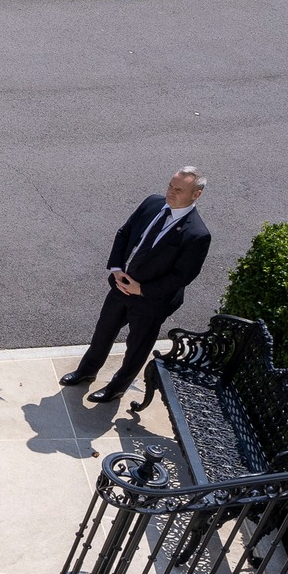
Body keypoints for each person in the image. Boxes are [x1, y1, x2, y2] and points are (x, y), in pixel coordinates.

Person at [61, 167, 212, 403]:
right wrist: (117, 269)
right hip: (121, 286)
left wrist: (141, 290)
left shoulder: (197, 234)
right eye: (170, 186)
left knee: (137, 346)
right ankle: (86, 371)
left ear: (196, 195)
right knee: (103, 331)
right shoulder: (152, 203)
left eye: (179, 190)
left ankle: (117, 388)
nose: (171, 193)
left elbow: (182, 276)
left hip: (152, 300)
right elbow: (125, 233)